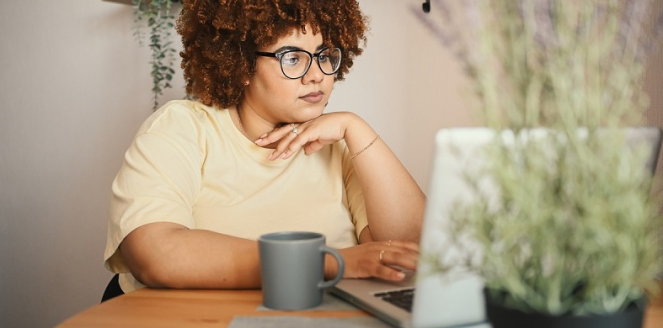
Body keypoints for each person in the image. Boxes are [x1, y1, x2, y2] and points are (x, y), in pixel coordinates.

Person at [103, 0, 425, 298]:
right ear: (241, 63)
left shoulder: (338, 145)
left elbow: (406, 251)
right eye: (293, 58)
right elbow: (154, 252)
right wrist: (327, 261)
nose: (317, 76)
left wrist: (357, 128)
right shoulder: (182, 128)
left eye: (324, 55)